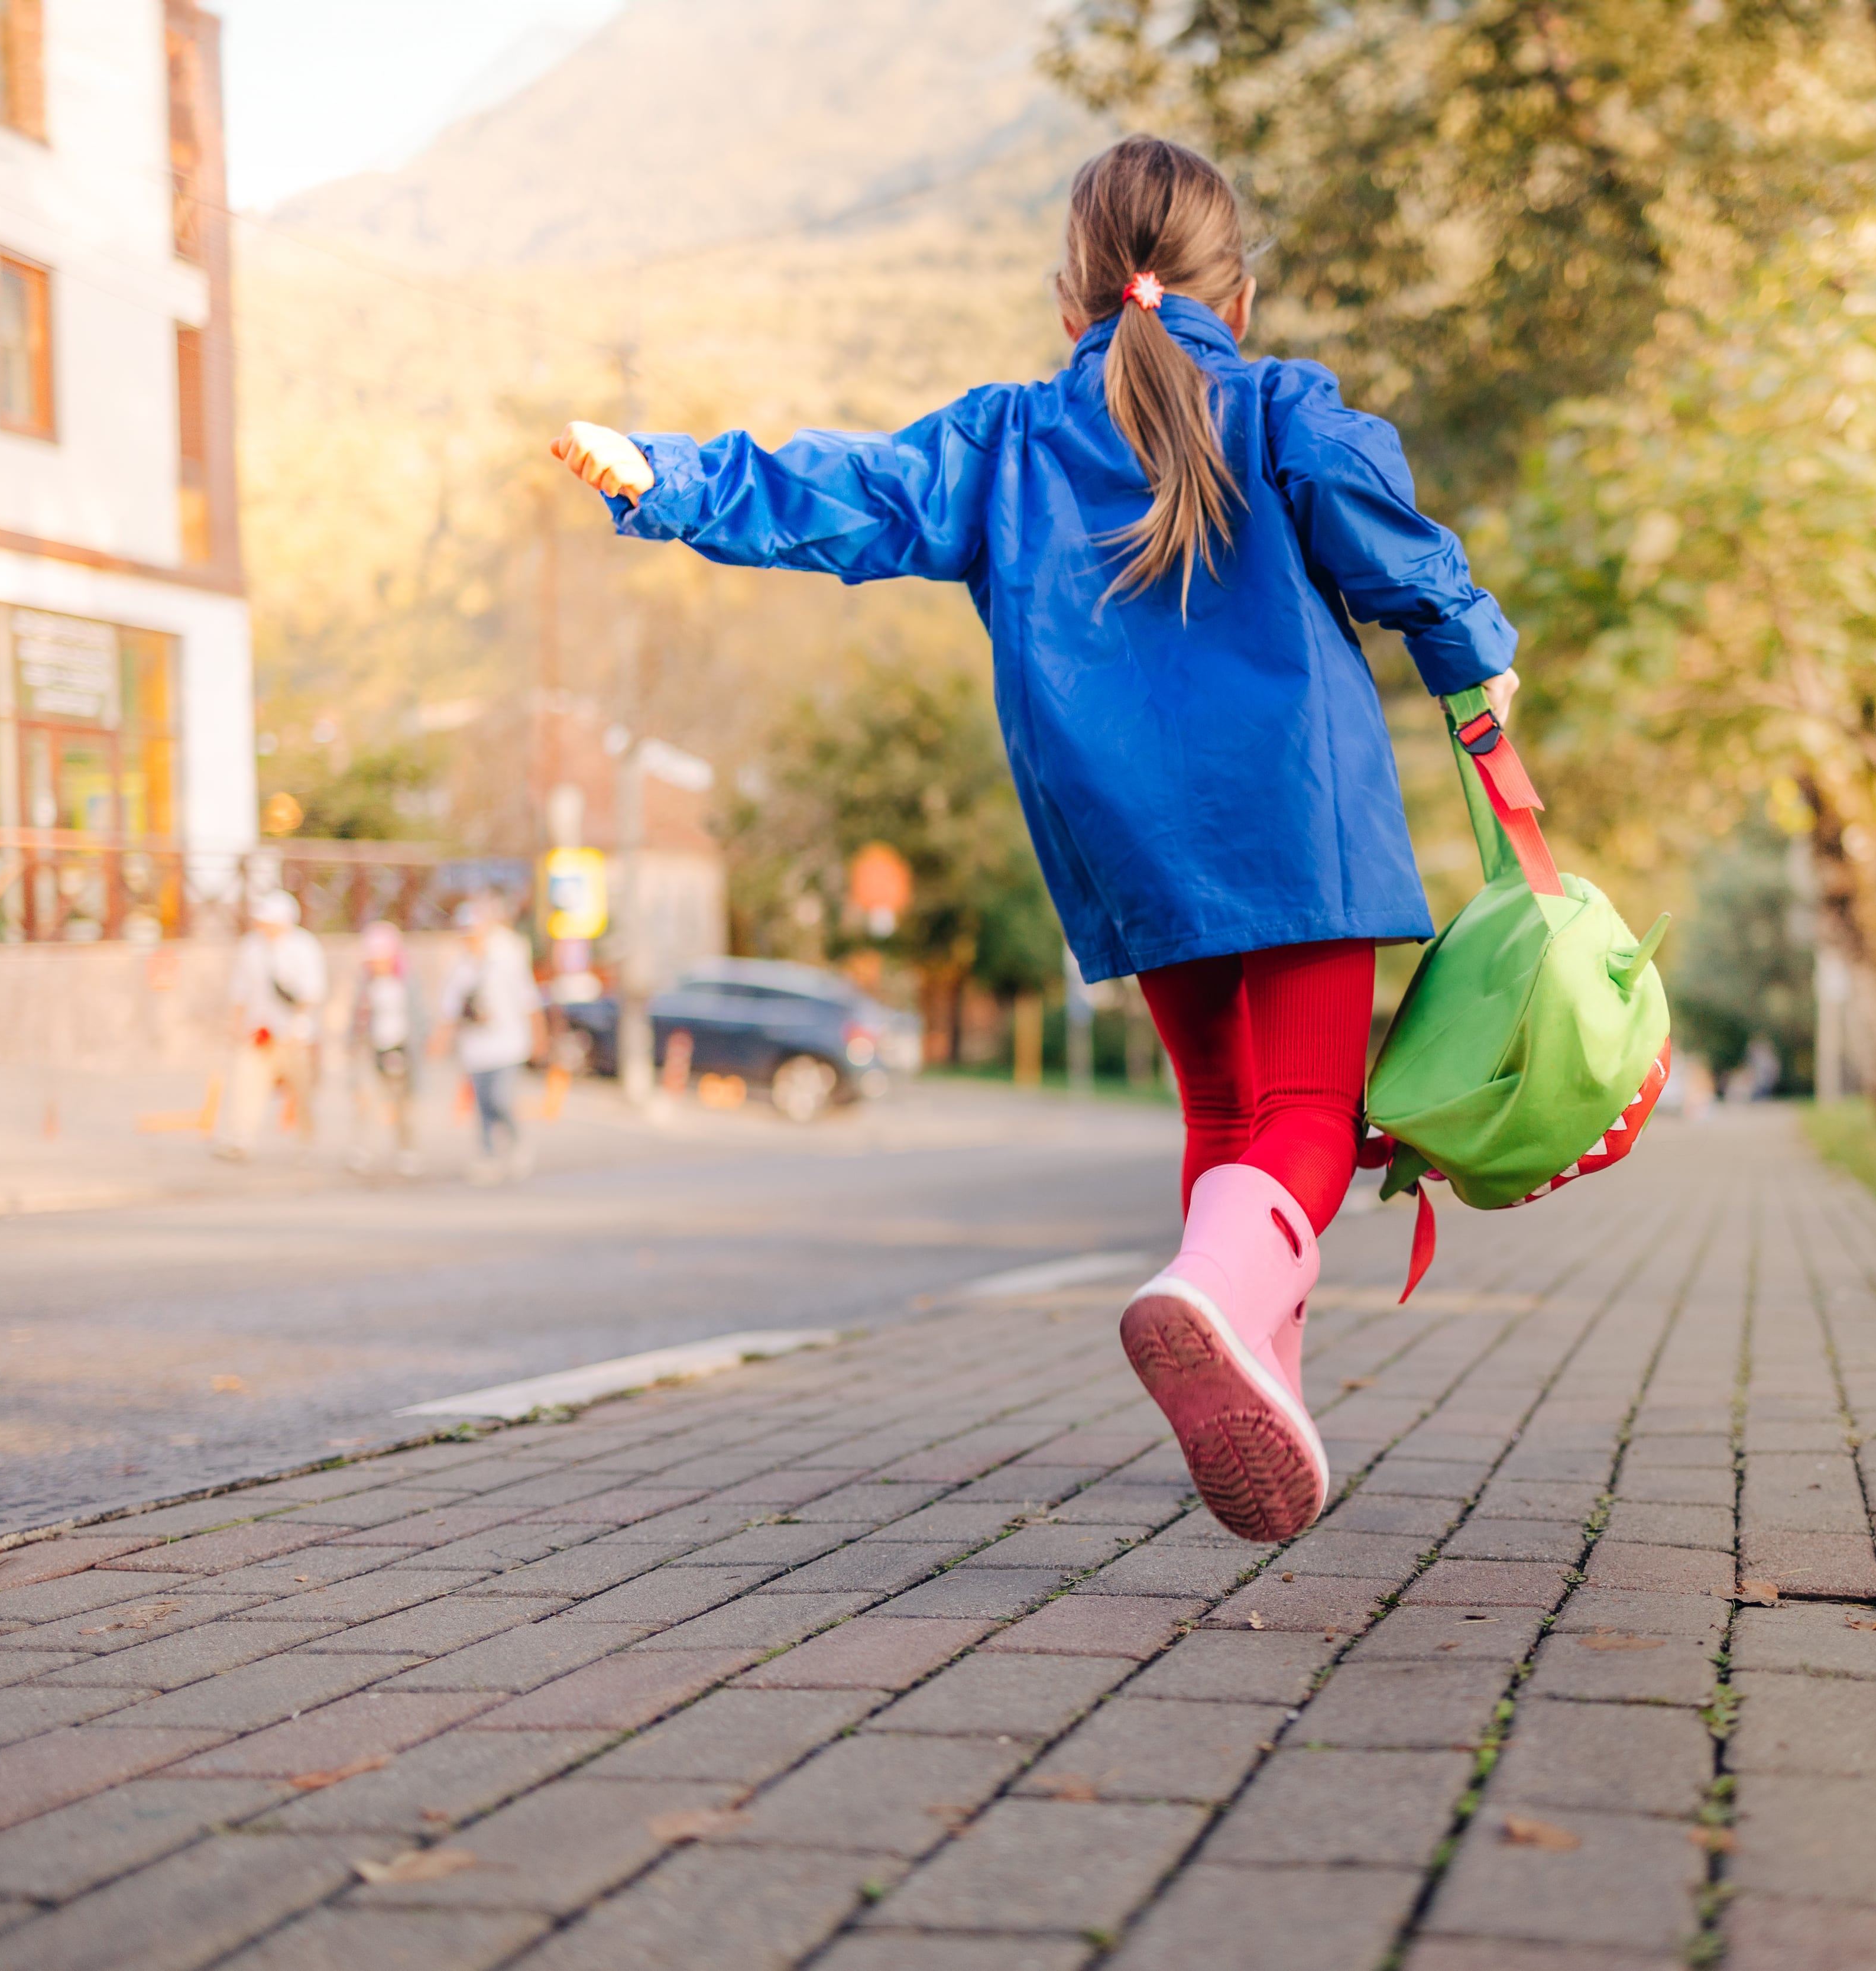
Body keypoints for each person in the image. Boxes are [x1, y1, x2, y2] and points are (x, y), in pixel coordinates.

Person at [552, 135, 1519, 1544]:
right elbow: (1401, 557)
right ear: (1232, 296)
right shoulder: (1279, 410)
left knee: (1220, 1122)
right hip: (1293, 821)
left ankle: (1262, 1385)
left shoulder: (1005, 444)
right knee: (1308, 1116)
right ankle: (1226, 1316)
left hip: (1124, 835)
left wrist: (666, 473)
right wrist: (1478, 673)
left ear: (1070, 301)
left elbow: (853, 494)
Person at [214, 891, 326, 1162]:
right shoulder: (252, 947)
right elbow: (240, 989)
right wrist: (236, 1024)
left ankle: (305, 1141)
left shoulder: (304, 947)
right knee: (246, 1081)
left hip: (294, 1034)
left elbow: (313, 993)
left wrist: (297, 1020)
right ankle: (240, 1139)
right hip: (259, 1032)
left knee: (302, 1090)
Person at [438, 898, 541, 1183]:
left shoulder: (506, 957)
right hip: (475, 1047)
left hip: (507, 1043)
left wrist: (538, 1038)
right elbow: (449, 1009)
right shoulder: (460, 966)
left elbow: (528, 1000)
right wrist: (440, 1041)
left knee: (501, 1098)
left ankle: (517, 1141)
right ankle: (489, 1154)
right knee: (482, 1104)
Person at [346, 920, 422, 1176]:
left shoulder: (406, 982)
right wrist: (351, 1042)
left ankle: (407, 1151)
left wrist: (416, 1050)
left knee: (403, 1105)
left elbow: (419, 1018)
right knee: (366, 1100)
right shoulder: (365, 983)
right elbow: (355, 1016)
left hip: (400, 1049)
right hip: (372, 1049)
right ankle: (362, 1150)